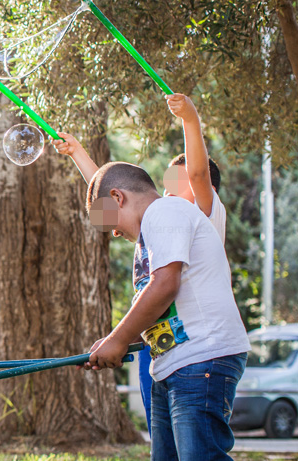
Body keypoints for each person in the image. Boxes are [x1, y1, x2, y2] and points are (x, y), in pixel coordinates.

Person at [51, 92, 226, 438]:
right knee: (166, 448)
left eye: (181, 186)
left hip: (195, 350)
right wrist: (80, 155)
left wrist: (190, 120)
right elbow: (115, 195)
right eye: (167, 188)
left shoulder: (204, 212)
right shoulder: (158, 219)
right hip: (158, 346)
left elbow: (199, 172)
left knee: (195, 451)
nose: (169, 196)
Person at [82, 162, 250, 461]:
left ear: (118, 198)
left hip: (203, 355)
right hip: (172, 362)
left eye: (110, 222)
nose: (114, 232)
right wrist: (115, 342)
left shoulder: (165, 212)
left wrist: (118, 339)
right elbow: (161, 306)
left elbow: (164, 286)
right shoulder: (152, 231)